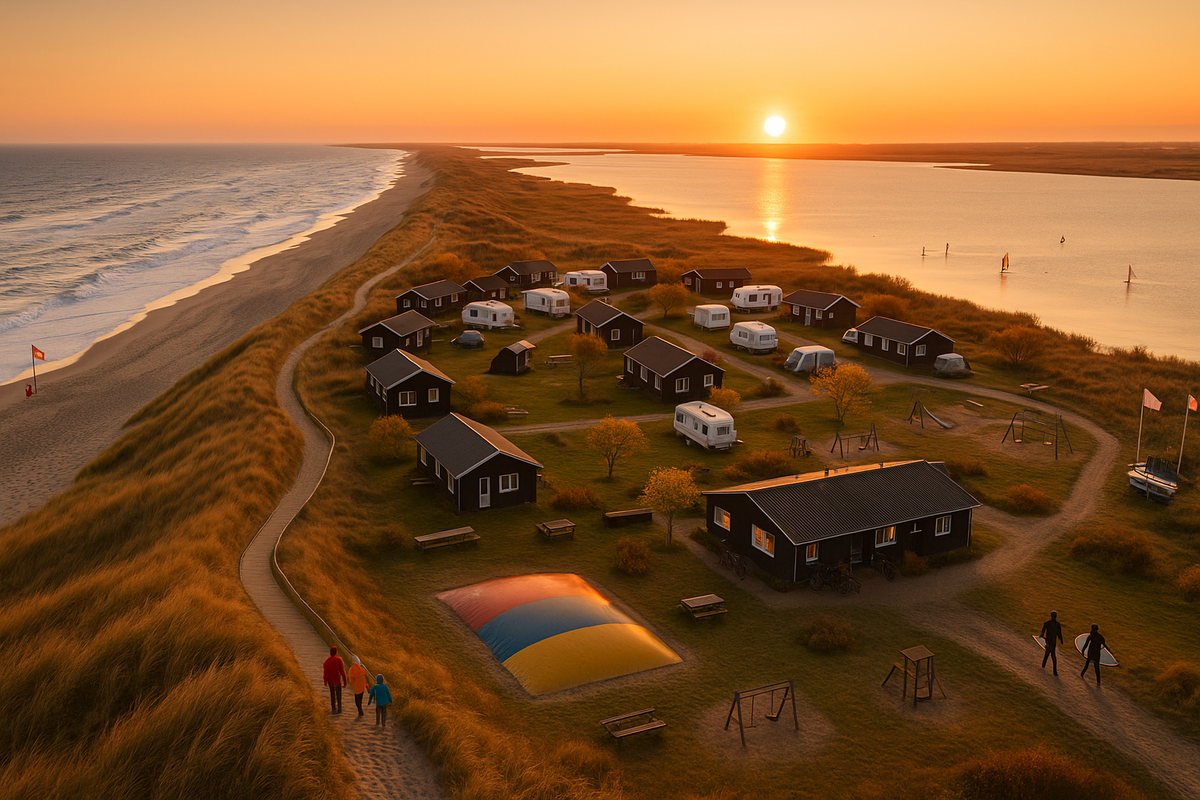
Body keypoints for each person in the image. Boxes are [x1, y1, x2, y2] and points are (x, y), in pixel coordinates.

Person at [322, 646, 347, 713]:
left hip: (330, 679)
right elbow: (342, 671)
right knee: (338, 694)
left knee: (332, 694)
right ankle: (339, 708)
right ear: (336, 652)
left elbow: (325, 672)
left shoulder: (326, 661)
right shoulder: (338, 660)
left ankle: (333, 708)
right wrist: (345, 681)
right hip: (337, 679)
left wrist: (325, 681)